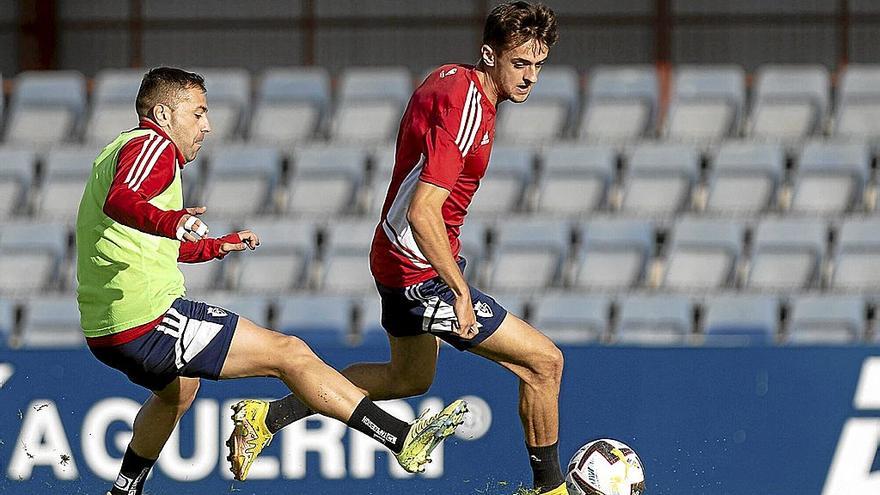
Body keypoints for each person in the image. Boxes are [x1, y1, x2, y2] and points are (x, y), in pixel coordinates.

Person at [75, 67, 468, 495]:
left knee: (179, 391)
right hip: (146, 319)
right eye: (198, 113)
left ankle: (124, 489)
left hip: (106, 327)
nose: (207, 126)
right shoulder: (153, 145)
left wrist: (212, 246)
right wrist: (173, 221)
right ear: (164, 114)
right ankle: (400, 438)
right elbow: (122, 202)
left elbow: (135, 234)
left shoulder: (115, 151)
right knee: (289, 353)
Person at [227, 2, 567, 494]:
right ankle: (549, 489)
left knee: (408, 379)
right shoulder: (467, 105)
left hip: (397, 256)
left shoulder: (454, 81)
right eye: (521, 63)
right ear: (489, 55)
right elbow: (423, 210)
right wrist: (459, 289)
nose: (531, 76)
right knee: (544, 363)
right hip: (417, 268)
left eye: (539, 65)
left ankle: (268, 417)